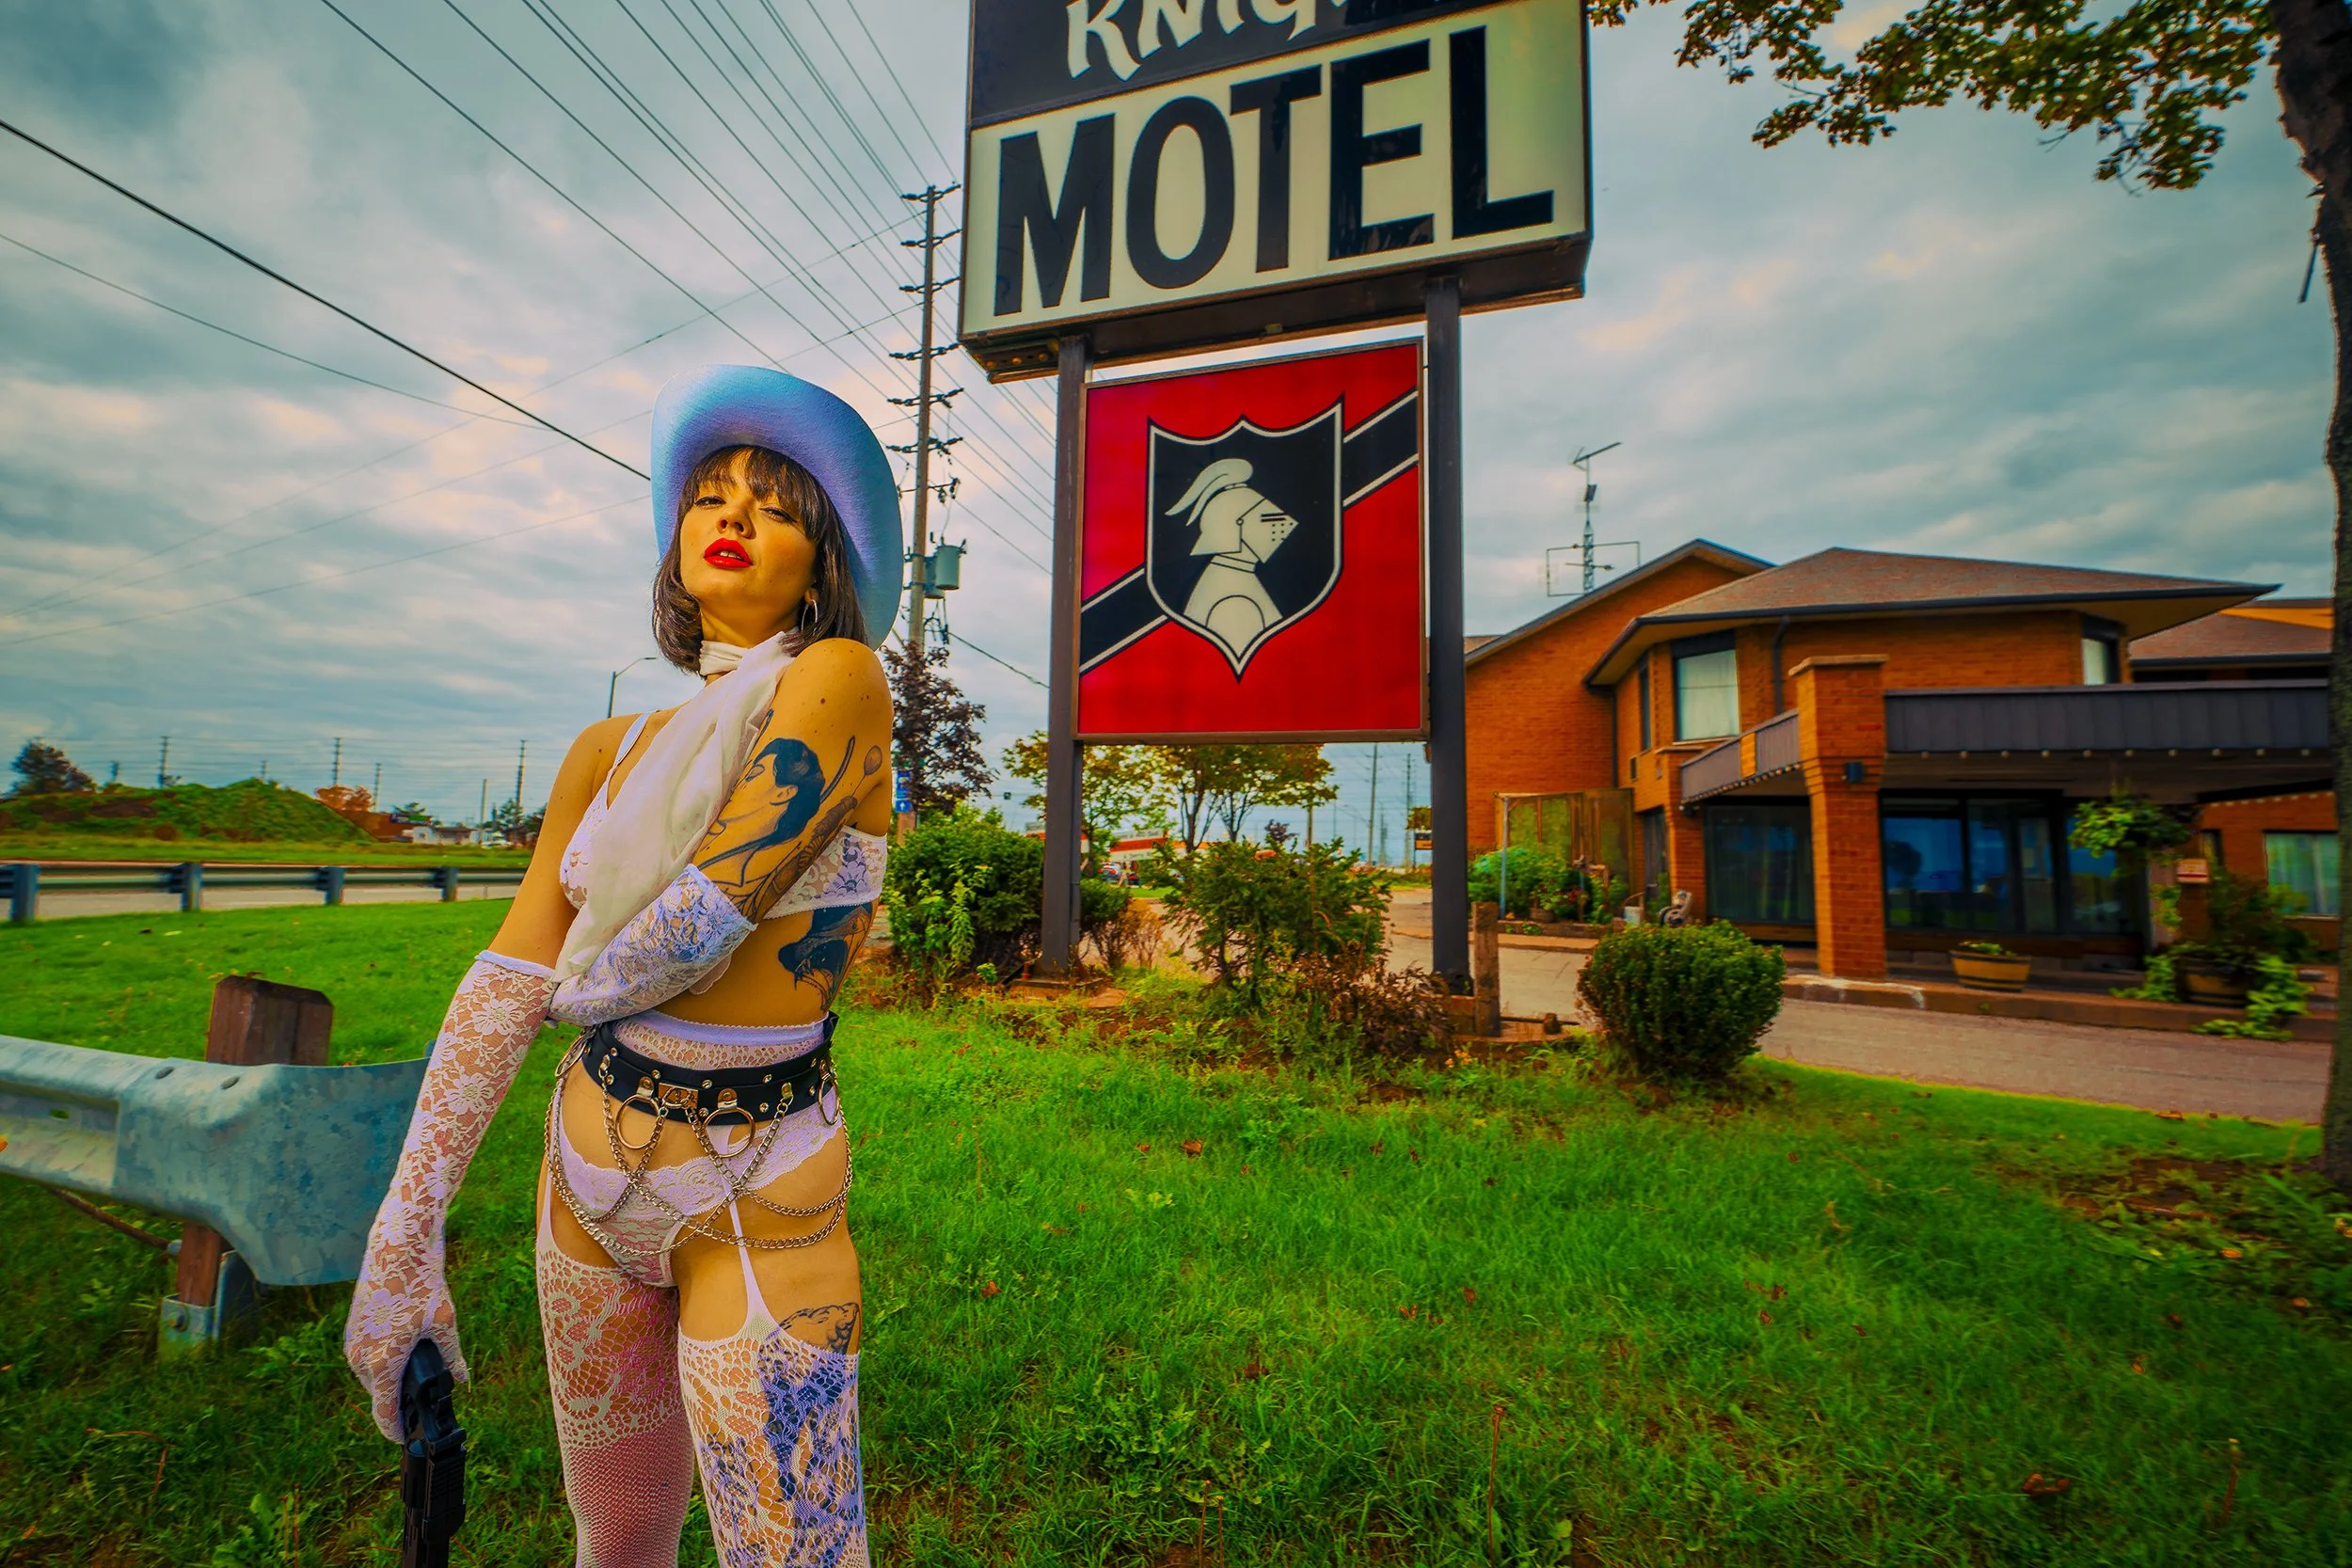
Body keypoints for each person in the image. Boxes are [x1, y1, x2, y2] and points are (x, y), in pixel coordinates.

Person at [344, 364, 901, 1566]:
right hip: (588, 1174)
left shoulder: (839, 680)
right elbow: (506, 973)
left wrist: (571, 995)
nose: (733, 516)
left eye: (776, 503)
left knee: (795, 1551)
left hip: (763, 1180)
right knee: (618, 1529)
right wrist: (404, 1229)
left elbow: (706, 913)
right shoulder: (607, 747)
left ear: (826, 560)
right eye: (707, 496)